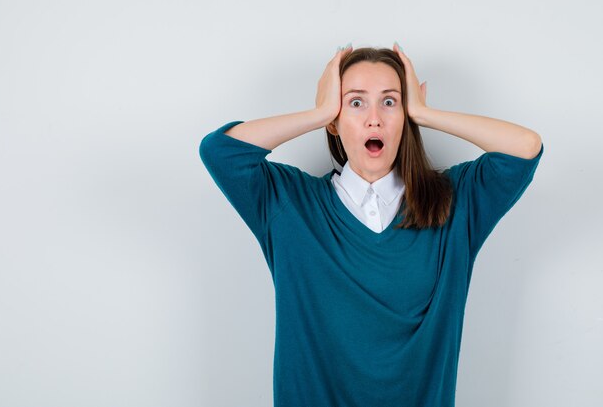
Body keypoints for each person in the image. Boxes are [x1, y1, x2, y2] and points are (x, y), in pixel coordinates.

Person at [199, 42, 543, 407]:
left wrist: (424, 113)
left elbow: (524, 148)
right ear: (335, 118)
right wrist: (318, 113)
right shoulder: (288, 204)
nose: (374, 118)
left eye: (390, 102)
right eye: (356, 102)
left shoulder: (455, 203)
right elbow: (220, 152)